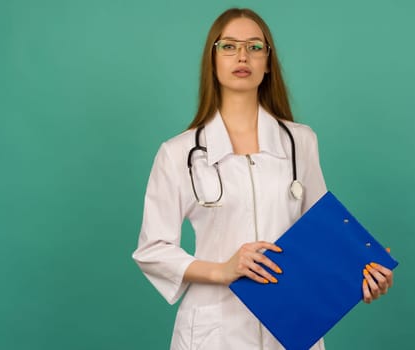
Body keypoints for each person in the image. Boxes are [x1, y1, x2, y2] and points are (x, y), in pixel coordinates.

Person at [132, 7, 394, 349]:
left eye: (255, 47)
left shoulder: (300, 142)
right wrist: (223, 270)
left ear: (268, 62)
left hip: (292, 323)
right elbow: (152, 250)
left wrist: (360, 270)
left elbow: (323, 233)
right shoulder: (178, 152)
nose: (242, 55)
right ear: (212, 60)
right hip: (215, 329)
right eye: (228, 46)